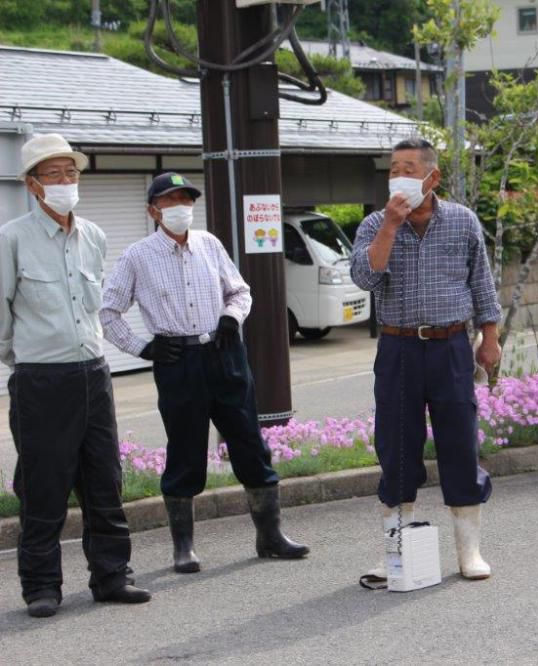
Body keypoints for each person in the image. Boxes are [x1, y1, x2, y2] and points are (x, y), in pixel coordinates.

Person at [99, 172, 308, 574]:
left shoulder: (209, 244)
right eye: (170, 201)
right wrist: (144, 348)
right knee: (185, 449)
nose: (180, 208)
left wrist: (232, 317)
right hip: (178, 361)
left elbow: (240, 290)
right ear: (153, 210)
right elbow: (109, 312)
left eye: (186, 200)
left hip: (225, 353)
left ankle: (270, 536)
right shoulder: (137, 256)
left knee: (249, 441)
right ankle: (184, 547)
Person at [0, 134, 151, 618]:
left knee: (104, 480)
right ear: (32, 185)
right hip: (40, 379)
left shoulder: (94, 235)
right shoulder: (11, 239)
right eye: (54, 174)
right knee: (43, 487)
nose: (66, 182)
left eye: (72, 173)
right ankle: (41, 586)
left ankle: (112, 576)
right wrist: (27, 360)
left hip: (94, 374)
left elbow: (93, 307)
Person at [351, 138, 502, 582]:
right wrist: (389, 228)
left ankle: (468, 552)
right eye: (394, 168)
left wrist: (489, 339)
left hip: (450, 345)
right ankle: (395, 551)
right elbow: (364, 277)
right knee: (396, 445)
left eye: (410, 167)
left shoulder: (462, 221)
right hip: (397, 347)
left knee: (459, 440)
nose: (399, 175)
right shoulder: (374, 223)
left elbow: (482, 284)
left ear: (431, 177)